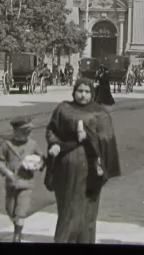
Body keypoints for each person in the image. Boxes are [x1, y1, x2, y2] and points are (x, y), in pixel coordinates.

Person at [45, 78, 120, 243]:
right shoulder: (63, 109)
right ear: (74, 92)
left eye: (87, 92)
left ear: (92, 94)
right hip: (66, 164)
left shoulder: (100, 113)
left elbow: (106, 138)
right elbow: (52, 129)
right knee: (67, 206)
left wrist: (89, 137)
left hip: (90, 166)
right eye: (80, 91)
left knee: (87, 208)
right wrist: (55, 144)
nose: (83, 95)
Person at [0, 116, 44, 243]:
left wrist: (37, 165)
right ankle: (17, 227)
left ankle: (17, 236)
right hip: (11, 183)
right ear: (15, 131)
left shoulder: (33, 144)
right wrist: (7, 172)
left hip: (26, 183)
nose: (27, 134)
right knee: (10, 210)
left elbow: (42, 159)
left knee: (21, 211)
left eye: (28, 132)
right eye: (23, 132)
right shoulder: (7, 145)